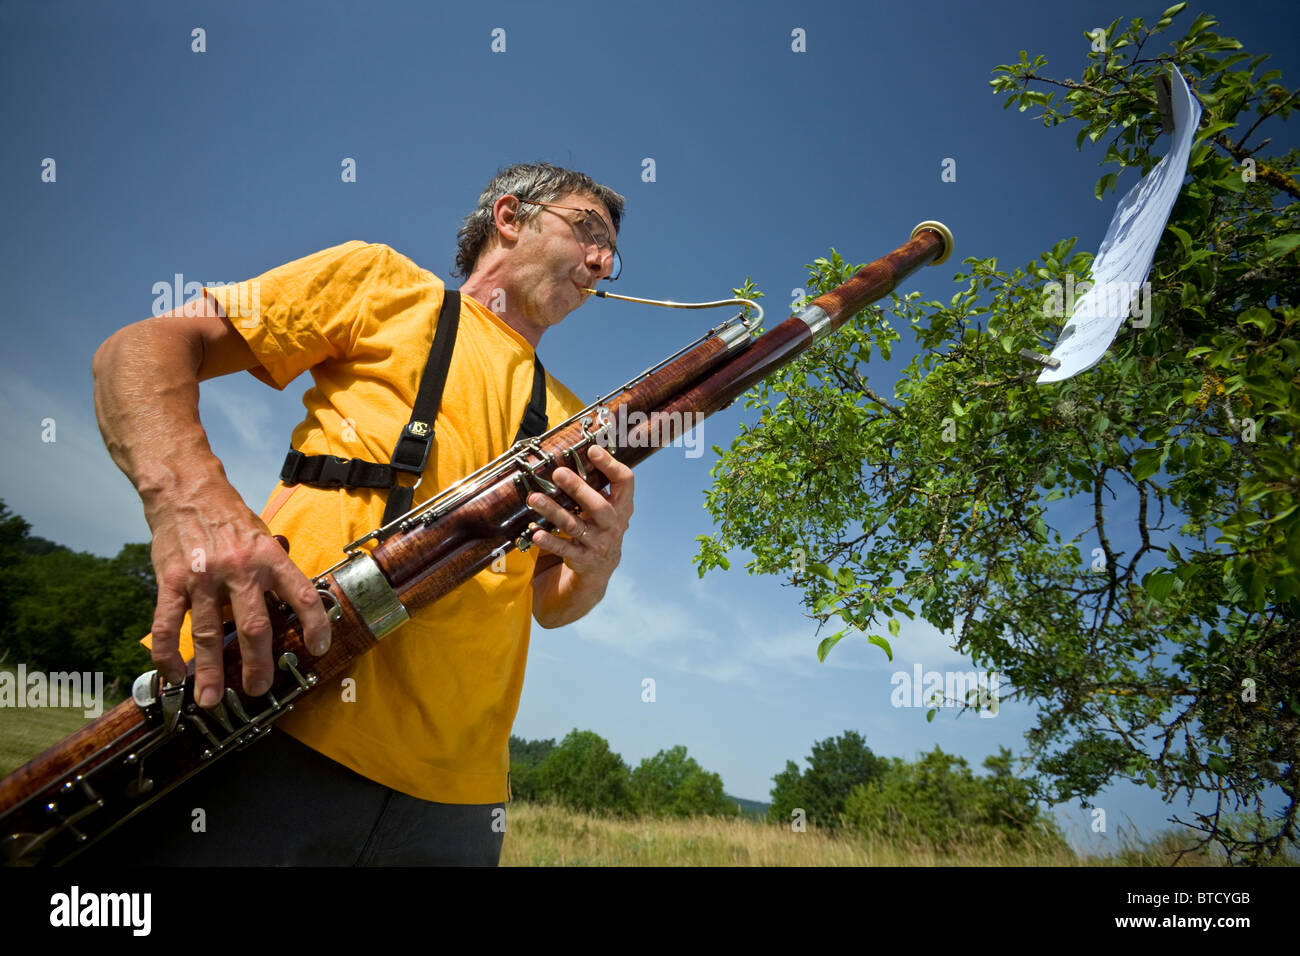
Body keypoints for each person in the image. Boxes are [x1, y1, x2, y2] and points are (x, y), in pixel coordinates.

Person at [81, 163, 633, 865]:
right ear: (510, 217)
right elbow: (137, 350)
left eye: (612, 252)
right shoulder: (380, 282)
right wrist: (194, 504)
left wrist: (597, 569)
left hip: (459, 804)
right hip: (262, 714)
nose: (604, 261)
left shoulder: (578, 420)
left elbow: (547, 602)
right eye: (587, 230)